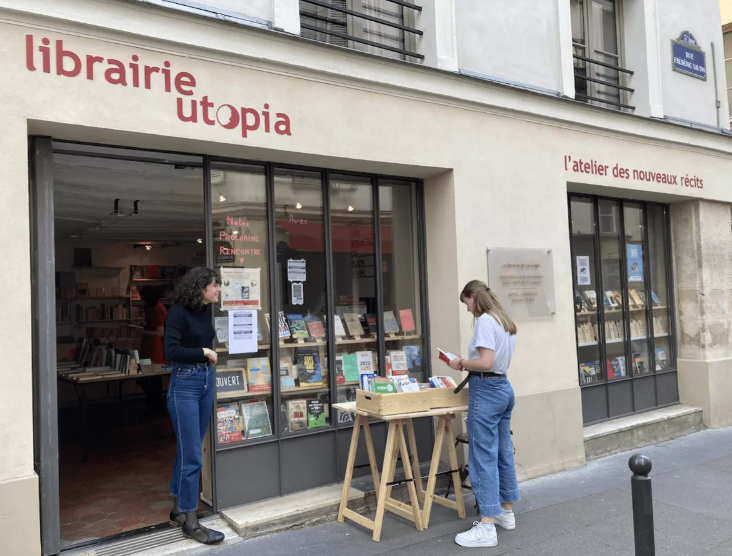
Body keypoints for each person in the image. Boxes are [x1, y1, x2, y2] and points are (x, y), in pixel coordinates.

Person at [447, 280, 519, 549]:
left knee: (482, 455)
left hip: (486, 390)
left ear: (474, 297)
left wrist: (461, 363)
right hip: (503, 387)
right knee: (502, 451)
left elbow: (485, 361)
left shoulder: (486, 321)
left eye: (466, 303)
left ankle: (487, 525)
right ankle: (505, 512)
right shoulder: (504, 320)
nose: (467, 310)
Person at [164, 267, 224, 545]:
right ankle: (190, 521)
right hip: (184, 385)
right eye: (215, 285)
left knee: (190, 449)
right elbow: (171, 352)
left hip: (205, 381)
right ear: (200, 287)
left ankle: (177, 510)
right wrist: (203, 352)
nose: (219, 289)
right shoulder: (178, 312)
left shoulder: (204, 311)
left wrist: (207, 356)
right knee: (192, 456)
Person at [136, 285, 166, 417]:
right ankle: (155, 405)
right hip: (151, 346)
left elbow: (159, 332)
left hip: (153, 347)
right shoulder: (158, 307)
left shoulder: (156, 309)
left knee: (148, 378)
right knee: (152, 379)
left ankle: (156, 405)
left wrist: (142, 330)